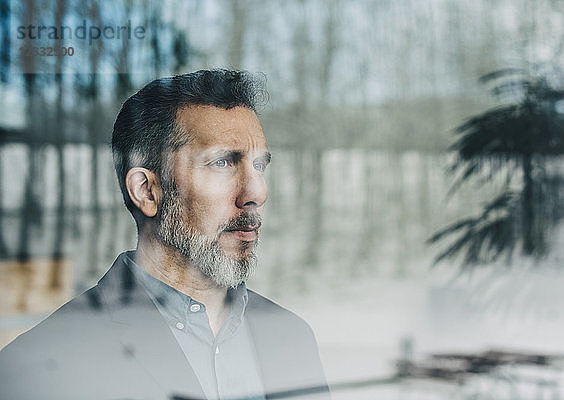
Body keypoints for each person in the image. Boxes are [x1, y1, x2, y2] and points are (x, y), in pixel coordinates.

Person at [0, 70, 329, 400]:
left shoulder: (293, 337)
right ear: (146, 191)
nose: (256, 192)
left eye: (259, 166)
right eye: (223, 163)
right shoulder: (36, 368)